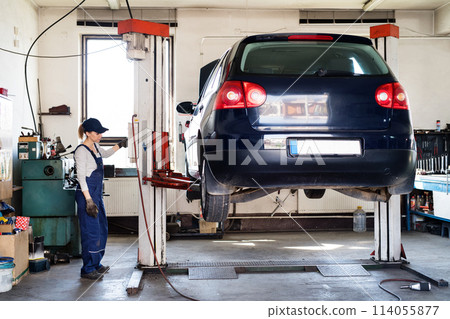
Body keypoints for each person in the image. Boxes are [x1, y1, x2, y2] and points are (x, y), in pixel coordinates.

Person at [74, 118, 127, 280]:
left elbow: (106, 154)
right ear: (88, 133)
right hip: (87, 195)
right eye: (97, 133)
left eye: (101, 132)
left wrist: (120, 145)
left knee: (102, 229)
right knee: (91, 232)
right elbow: (81, 177)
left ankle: (96, 264)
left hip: (96, 195)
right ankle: (87, 268)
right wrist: (89, 200)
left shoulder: (96, 146)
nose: (100, 135)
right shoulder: (81, 151)